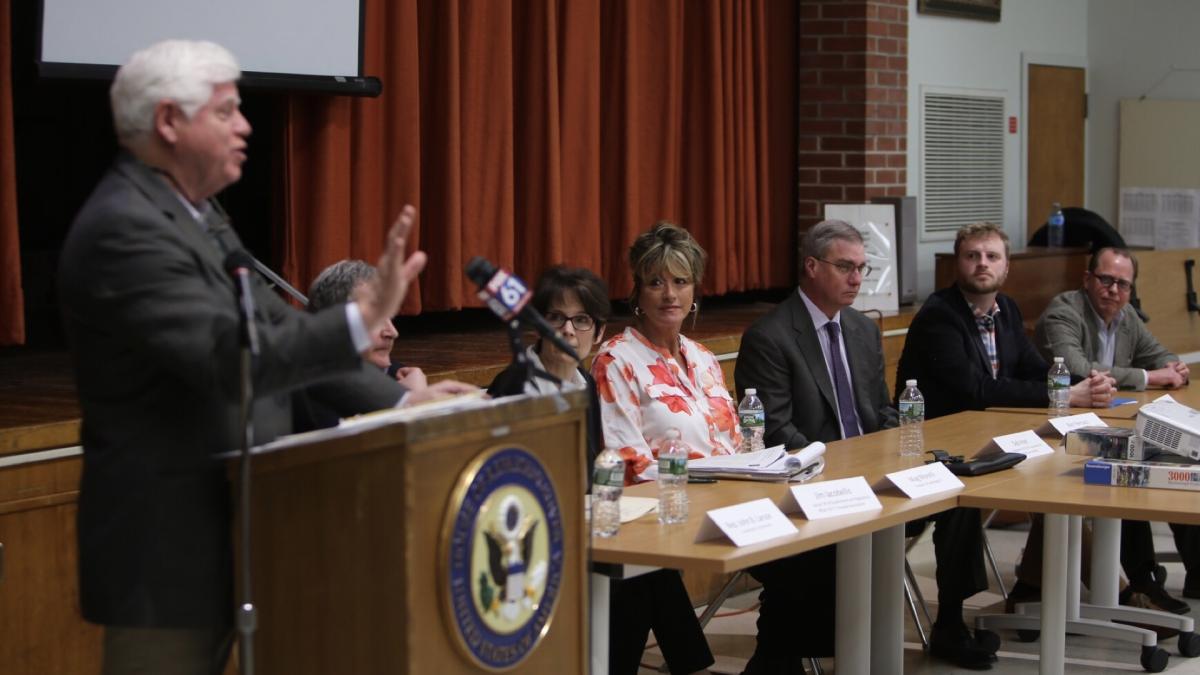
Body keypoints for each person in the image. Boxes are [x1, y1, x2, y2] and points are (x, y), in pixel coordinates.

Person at [57, 39, 471, 675]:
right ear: (168, 121)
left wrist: (401, 400)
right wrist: (360, 319)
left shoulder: (197, 214)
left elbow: (280, 325)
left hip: (247, 530)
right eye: (225, 111)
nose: (246, 126)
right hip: (168, 552)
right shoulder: (126, 228)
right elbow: (236, 360)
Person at [894, 222, 1119, 657]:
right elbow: (975, 389)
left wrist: (1083, 385)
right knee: (960, 500)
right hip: (933, 450)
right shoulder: (939, 315)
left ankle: (1044, 592)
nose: (982, 264)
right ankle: (952, 622)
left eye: (991, 256)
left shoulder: (1008, 311)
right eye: (972, 255)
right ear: (956, 264)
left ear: (1006, 267)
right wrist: (1063, 394)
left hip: (992, 443)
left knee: (1064, 475)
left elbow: (1034, 370)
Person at [734, 220, 907, 671]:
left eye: (862, 269)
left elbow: (883, 412)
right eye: (845, 267)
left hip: (868, 482)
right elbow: (775, 431)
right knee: (815, 560)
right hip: (805, 486)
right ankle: (785, 656)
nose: (856, 279)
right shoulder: (770, 337)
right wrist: (844, 473)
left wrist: (884, 459)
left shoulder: (864, 331)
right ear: (811, 267)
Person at [592, 222, 730, 675]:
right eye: (656, 282)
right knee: (641, 570)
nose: (669, 294)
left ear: (695, 291)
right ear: (637, 293)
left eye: (680, 281)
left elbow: (737, 442)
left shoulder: (705, 359)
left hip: (730, 498)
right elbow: (626, 460)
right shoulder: (617, 360)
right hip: (658, 509)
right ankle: (692, 664)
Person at [1033, 247, 1197, 607]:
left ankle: (1193, 572)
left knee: (1179, 458)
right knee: (1127, 472)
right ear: (1087, 279)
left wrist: (1174, 366)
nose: (1113, 290)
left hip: (1107, 424)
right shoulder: (1063, 312)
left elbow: (1159, 354)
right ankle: (1142, 582)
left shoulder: (1126, 317)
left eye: (1122, 284)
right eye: (1106, 280)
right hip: (1058, 432)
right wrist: (1150, 375)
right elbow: (1077, 370)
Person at [487, 265, 607, 472]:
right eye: (556, 318)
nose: (567, 331)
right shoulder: (513, 385)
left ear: (599, 333)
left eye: (581, 320)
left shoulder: (586, 384)